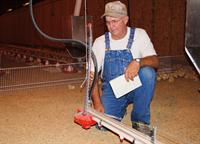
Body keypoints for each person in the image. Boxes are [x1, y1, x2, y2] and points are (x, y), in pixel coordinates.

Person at [90, 1, 159, 136]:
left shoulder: (140, 35)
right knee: (103, 125)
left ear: (125, 20)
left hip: (136, 85)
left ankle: (140, 121)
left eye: (115, 21)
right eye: (108, 22)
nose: (111, 26)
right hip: (113, 89)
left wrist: (138, 61)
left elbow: (155, 61)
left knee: (148, 73)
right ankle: (120, 108)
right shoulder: (99, 42)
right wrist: (97, 103)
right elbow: (92, 76)